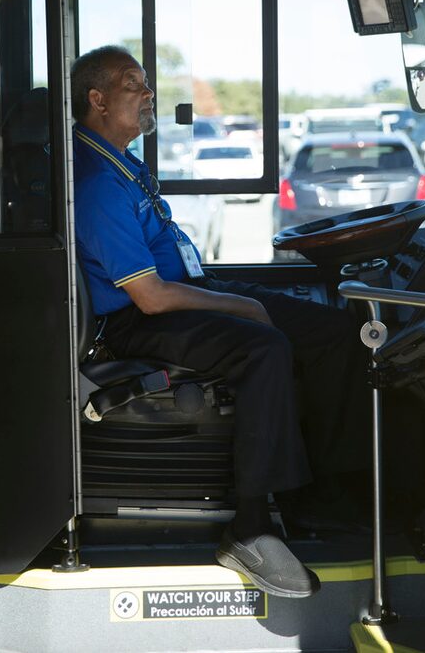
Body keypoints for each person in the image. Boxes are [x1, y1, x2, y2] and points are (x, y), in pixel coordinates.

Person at [72, 45, 370, 599]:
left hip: (188, 290)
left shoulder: (120, 163)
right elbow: (151, 297)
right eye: (134, 85)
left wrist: (232, 300)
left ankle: (321, 494)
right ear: (97, 99)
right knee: (262, 348)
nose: (148, 96)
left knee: (334, 333)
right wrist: (243, 308)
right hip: (135, 320)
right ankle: (249, 527)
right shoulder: (95, 184)